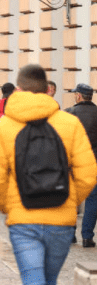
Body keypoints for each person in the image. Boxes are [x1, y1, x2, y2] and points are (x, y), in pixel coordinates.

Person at [0, 64, 97, 285]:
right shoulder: (69, 123)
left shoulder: (3, 127)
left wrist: (7, 206)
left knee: (33, 279)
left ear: (19, 89)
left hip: (23, 218)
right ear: (47, 88)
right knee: (48, 280)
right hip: (60, 220)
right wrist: (70, 200)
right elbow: (88, 173)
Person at [64, 83, 97, 247]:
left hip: (72, 162)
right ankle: (87, 237)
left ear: (78, 96)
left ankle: (70, 235)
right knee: (93, 198)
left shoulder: (69, 114)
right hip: (93, 162)